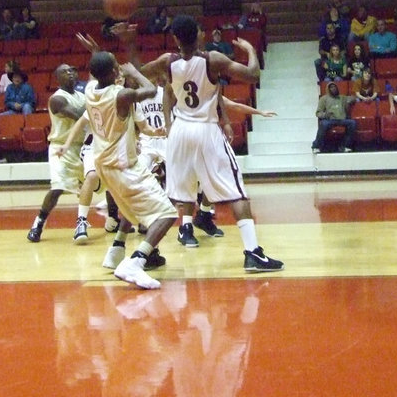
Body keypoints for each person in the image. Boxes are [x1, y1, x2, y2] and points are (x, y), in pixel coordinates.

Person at [139, 15, 284, 272]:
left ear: (175, 38)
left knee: (177, 195)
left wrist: (128, 42)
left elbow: (140, 73)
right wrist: (250, 49)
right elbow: (252, 75)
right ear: (199, 34)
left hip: (180, 131)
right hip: (205, 129)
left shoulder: (167, 61)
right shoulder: (213, 60)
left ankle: (146, 252)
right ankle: (253, 252)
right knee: (237, 191)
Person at [79, 46, 178, 289]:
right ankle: (136, 261)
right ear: (114, 72)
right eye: (116, 65)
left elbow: (98, 70)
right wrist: (134, 70)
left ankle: (116, 251)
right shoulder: (120, 95)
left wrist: (97, 54)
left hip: (104, 162)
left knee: (134, 212)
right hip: (123, 165)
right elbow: (150, 89)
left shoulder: (90, 89)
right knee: (166, 213)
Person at [27, 64, 107, 246]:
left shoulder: (81, 95)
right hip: (61, 147)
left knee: (104, 184)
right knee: (57, 188)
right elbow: (81, 115)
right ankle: (38, 223)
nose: (70, 73)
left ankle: (113, 221)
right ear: (57, 77)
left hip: (84, 147)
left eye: (72, 70)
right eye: (65, 71)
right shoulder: (57, 99)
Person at [312, 80, 357, 153]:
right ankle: (316, 146)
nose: (334, 89)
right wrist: (325, 115)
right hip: (330, 120)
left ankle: (345, 146)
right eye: (331, 87)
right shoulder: (324, 99)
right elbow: (318, 113)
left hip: (342, 119)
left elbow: (353, 98)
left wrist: (350, 100)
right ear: (328, 89)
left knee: (352, 123)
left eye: (335, 87)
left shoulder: (342, 98)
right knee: (323, 124)